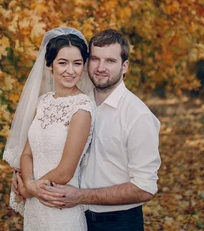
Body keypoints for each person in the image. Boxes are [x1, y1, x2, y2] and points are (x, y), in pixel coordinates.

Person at [35, 29, 161, 231]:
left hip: (117, 223)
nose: (101, 68)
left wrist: (81, 196)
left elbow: (145, 188)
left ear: (124, 66)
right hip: (73, 218)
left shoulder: (138, 116)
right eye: (95, 59)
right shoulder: (77, 102)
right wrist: (22, 173)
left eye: (110, 61)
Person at [3, 27, 95, 231]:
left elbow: (65, 171)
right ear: (50, 65)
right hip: (36, 207)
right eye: (63, 63)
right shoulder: (42, 102)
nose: (70, 70)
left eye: (77, 63)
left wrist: (30, 188)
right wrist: (29, 183)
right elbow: (27, 154)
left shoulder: (82, 108)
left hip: (60, 208)